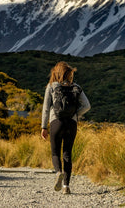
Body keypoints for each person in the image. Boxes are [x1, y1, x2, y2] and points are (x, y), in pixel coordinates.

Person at [40, 61, 91, 195]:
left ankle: (58, 173)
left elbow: (45, 108)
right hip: (71, 123)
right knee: (67, 154)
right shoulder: (76, 87)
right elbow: (87, 106)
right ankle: (66, 187)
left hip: (56, 122)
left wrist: (43, 126)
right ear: (69, 74)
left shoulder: (51, 86)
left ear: (56, 72)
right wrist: (75, 114)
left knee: (55, 152)